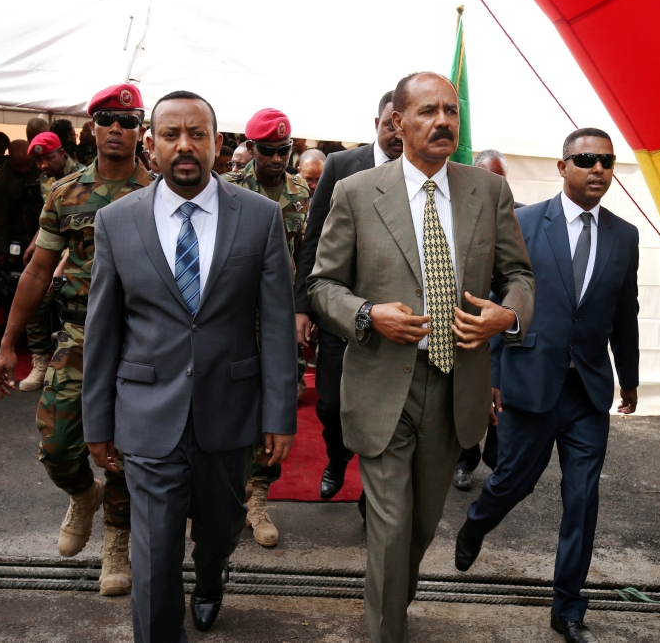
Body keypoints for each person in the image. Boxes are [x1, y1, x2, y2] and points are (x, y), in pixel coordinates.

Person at [307, 72, 534, 643]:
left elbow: (519, 277)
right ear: (398, 123)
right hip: (383, 383)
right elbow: (321, 285)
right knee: (389, 524)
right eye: (428, 111)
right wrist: (366, 314)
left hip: (456, 384)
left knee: (423, 524)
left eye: (451, 112)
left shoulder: (489, 191)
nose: (443, 122)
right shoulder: (357, 193)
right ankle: (388, 630)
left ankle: (392, 603)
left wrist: (508, 316)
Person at [82, 90, 297, 640]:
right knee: (153, 557)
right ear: (150, 146)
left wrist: (280, 413)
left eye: (197, 135)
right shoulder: (115, 221)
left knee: (221, 530)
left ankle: (210, 579)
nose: (185, 146)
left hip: (229, 411)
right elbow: (104, 330)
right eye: (172, 135)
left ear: (217, 145)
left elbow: (275, 324)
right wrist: (97, 422)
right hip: (148, 413)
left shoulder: (261, 218)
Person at [455, 128, 639, 643]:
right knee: (513, 481)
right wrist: (491, 373)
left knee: (582, 498)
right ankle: (477, 520)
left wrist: (630, 377)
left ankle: (568, 608)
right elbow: (494, 302)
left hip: (588, 393)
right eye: (586, 159)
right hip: (530, 382)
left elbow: (627, 312)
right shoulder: (526, 223)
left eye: (606, 160)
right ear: (563, 167)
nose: (598, 169)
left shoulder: (625, 237)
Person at [0, 83, 152, 597]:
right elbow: (38, 272)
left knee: (126, 450)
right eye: (106, 118)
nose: (116, 128)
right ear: (91, 127)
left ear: (140, 130)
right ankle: (84, 496)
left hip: (143, 342)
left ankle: (116, 544)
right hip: (81, 335)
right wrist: (8, 344)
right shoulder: (66, 193)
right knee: (59, 445)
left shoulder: (164, 189)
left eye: (128, 120)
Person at [293, 89, 403, 506]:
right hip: (342, 311)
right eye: (390, 123)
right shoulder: (342, 165)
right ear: (376, 124)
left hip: (395, 316)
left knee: (389, 411)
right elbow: (314, 237)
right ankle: (337, 459)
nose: (397, 131)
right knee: (331, 407)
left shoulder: (421, 172)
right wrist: (303, 306)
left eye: (402, 123)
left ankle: (369, 497)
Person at [224, 108, 310, 548]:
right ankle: (218, 497)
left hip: (278, 319)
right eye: (270, 151)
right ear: (252, 148)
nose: (278, 159)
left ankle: (258, 498)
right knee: (226, 404)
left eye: (285, 150)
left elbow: (308, 256)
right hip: (236, 317)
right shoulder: (230, 191)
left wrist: (303, 310)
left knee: (276, 406)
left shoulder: (300, 193)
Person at [451, 148, 516, 491]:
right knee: (467, 398)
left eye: (501, 179)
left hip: (504, 330)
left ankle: (495, 459)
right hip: (467, 328)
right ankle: (465, 461)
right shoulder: (456, 213)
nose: (496, 186)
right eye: (490, 178)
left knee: (499, 401)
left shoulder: (522, 218)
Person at [15, 132, 85, 393]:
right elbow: (52, 219)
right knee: (33, 296)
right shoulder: (48, 181)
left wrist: (61, 264)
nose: (43, 165)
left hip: (80, 256)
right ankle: (41, 361)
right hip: (57, 248)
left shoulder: (82, 178)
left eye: (47, 158)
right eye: (38, 161)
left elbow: (83, 232)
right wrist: (36, 241)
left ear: (62, 154)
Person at [0, 140, 42, 272]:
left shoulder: (40, 169)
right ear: (9, 159)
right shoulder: (0, 181)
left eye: (26, 165)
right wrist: (1, 251)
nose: (23, 169)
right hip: (15, 237)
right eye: (18, 166)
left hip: (39, 234)